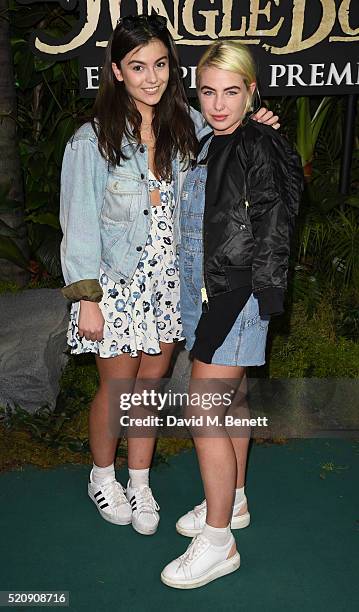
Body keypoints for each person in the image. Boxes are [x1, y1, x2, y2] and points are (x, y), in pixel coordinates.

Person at [60, 15, 279, 537]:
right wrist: (85, 297)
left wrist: (258, 123)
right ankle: (103, 476)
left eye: (160, 64)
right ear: (117, 71)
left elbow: (230, 126)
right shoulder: (91, 142)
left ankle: (140, 480)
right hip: (114, 284)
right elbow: (79, 221)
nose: (151, 77)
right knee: (116, 388)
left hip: (170, 284)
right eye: (137, 67)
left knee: (150, 386)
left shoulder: (189, 125)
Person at [161, 40, 303, 588]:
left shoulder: (257, 145)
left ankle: (220, 541)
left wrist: (258, 297)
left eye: (232, 92)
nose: (218, 104)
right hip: (210, 290)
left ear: (251, 92)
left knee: (204, 411)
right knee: (234, 398)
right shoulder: (210, 136)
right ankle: (235, 499)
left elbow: (273, 225)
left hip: (235, 295)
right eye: (209, 92)